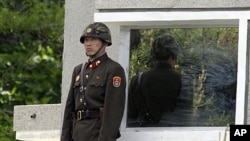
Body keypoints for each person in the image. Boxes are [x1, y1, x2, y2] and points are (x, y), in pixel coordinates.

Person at [61, 22, 126, 141]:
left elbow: (113, 111)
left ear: (105, 42)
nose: (88, 44)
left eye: (93, 39)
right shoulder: (78, 70)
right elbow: (69, 110)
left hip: (96, 135)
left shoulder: (113, 69)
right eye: (86, 40)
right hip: (78, 135)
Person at [127, 34, 181, 127]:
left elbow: (130, 116)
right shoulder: (182, 81)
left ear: (153, 56)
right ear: (173, 56)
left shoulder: (138, 80)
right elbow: (186, 116)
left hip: (142, 135)